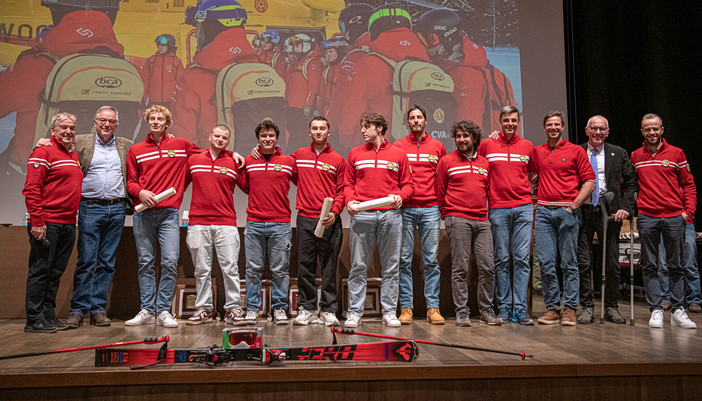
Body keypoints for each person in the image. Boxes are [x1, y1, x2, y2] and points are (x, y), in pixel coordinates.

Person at [0, 0, 123, 219]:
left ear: (57, 13)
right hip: (97, 183)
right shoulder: (128, 70)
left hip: (35, 181)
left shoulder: (35, 66)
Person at [124, 105, 203, 328]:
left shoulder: (181, 145)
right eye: (152, 119)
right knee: (146, 262)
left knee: (169, 262)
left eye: (160, 119)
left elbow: (207, 156)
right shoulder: (136, 149)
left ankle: (164, 311)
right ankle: (148, 310)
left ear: (167, 123)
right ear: (147, 122)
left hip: (169, 213)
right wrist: (140, 192)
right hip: (143, 215)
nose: (156, 122)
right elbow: (130, 181)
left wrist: (233, 154)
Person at [344, 112, 413, 328]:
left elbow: (408, 185)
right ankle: (354, 312)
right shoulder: (354, 154)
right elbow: (347, 184)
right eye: (362, 126)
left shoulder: (398, 154)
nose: (363, 130)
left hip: (390, 216)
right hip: (362, 214)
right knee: (357, 265)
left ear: (380, 128)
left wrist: (401, 197)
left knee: (391, 266)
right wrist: (349, 201)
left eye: (367, 126)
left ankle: (389, 312)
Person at [67, 106, 132, 328]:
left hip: (116, 210)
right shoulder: (80, 141)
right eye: (103, 120)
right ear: (95, 122)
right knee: (86, 261)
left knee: (106, 263)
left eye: (111, 121)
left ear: (116, 125)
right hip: (89, 207)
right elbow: (57, 143)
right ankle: (77, 311)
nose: (106, 125)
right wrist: (42, 142)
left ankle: (97, 310)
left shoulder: (125, 145)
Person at [630, 113, 697, 329]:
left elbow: (688, 185)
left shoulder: (676, 153)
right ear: (642, 131)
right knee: (650, 265)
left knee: (676, 265)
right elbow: (629, 186)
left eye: (655, 128)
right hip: (647, 217)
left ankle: (678, 309)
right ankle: (656, 309)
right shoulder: (635, 156)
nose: (652, 132)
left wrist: (687, 213)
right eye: (647, 129)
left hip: (674, 217)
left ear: (662, 130)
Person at [534, 111, 596, 326]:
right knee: (546, 263)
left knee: (569, 263)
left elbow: (590, 181)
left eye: (556, 125)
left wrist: (574, 205)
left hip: (566, 212)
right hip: (543, 213)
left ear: (562, 128)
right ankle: (552, 308)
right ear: (544, 128)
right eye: (549, 124)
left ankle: (570, 308)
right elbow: (526, 174)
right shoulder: (537, 151)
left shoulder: (576, 150)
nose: (552, 128)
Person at [436, 120, 501, 327]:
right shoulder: (446, 161)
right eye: (458, 136)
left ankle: (486, 310)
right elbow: (440, 190)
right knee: (460, 268)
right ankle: (462, 311)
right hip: (458, 219)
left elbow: (487, 189)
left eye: (465, 136)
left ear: (474, 139)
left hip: (482, 220)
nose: (461, 140)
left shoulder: (485, 163)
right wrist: (447, 215)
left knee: (488, 267)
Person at [22, 112, 82, 333]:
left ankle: (48, 315)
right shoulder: (43, 151)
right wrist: (37, 222)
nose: (68, 131)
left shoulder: (73, 155)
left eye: (72, 128)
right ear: (53, 130)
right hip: (47, 223)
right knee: (40, 270)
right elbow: (31, 189)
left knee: (55, 272)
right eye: (63, 127)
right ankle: (34, 318)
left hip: (68, 223)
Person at [170, 0, 259, 149]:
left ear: (211, 29)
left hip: (212, 167)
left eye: (199, 28)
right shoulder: (258, 69)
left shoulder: (192, 78)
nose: (198, 35)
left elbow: (181, 141)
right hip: (255, 166)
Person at [477, 105, 537, 325]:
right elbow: (478, 170)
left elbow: (533, 172)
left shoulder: (528, 146)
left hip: (523, 207)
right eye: (506, 120)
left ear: (518, 122)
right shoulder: (486, 144)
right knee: (501, 259)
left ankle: (520, 309)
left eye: (514, 120)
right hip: (498, 208)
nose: (510, 124)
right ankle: (503, 307)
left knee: (521, 259)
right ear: (499, 121)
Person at [576, 115, 636, 325]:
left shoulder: (618, 153)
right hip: (583, 212)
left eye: (602, 129)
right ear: (587, 130)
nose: (598, 133)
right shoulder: (578, 151)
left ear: (607, 132)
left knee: (610, 263)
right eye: (594, 129)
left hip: (609, 213)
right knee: (583, 263)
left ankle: (611, 306)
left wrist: (625, 208)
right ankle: (587, 308)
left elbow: (632, 184)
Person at [184, 125, 246, 326]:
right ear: (209, 136)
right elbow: (180, 184)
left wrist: (239, 157)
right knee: (201, 269)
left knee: (230, 268)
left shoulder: (234, 162)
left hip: (226, 223)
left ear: (229, 141)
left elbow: (247, 188)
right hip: (198, 223)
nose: (220, 140)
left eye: (224, 138)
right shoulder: (194, 160)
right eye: (217, 136)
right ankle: (204, 309)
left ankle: (233, 309)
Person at [393, 105, 447, 325]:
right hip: (405, 209)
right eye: (412, 118)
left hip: (431, 208)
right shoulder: (398, 146)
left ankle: (432, 308)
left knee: (431, 260)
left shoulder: (438, 146)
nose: (416, 121)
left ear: (426, 121)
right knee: (404, 260)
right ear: (408, 122)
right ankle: (406, 308)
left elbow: (442, 178)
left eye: (419, 117)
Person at [290, 117, 346, 326]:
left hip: (329, 220)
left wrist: (335, 211)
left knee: (329, 266)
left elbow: (341, 190)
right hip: (305, 217)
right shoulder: (298, 156)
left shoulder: (339, 160)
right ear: (310, 132)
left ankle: (329, 310)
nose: (319, 131)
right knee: (305, 265)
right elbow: (293, 176)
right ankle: (307, 309)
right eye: (315, 128)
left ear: (328, 132)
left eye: (322, 128)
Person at [240, 120, 296, 325]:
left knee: (280, 269)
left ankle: (279, 309)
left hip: (280, 224)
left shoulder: (289, 161)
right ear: (258, 139)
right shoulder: (249, 160)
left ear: (276, 138)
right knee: (252, 269)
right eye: (263, 136)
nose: (267, 139)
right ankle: (252, 309)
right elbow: (245, 186)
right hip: (254, 222)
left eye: (271, 135)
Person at [284, 33, 324, 150]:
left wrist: (307, 106)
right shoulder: (299, 62)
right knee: (293, 134)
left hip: (302, 109)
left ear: (306, 46)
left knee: (302, 138)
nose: (294, 49)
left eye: (297, 46)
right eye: (294, 46)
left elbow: (314, 87)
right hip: (293, 106)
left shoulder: (312, 63)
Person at [142, 34, 184, 110]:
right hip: (153, 102)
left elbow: (181, 82)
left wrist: (180, 101)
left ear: (170, 46)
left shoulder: (176, 61)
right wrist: (143, 100)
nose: (160, 47)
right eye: (159, 45)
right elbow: (145, 81)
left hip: (170, 103)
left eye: (163, 45)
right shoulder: (151, 60)